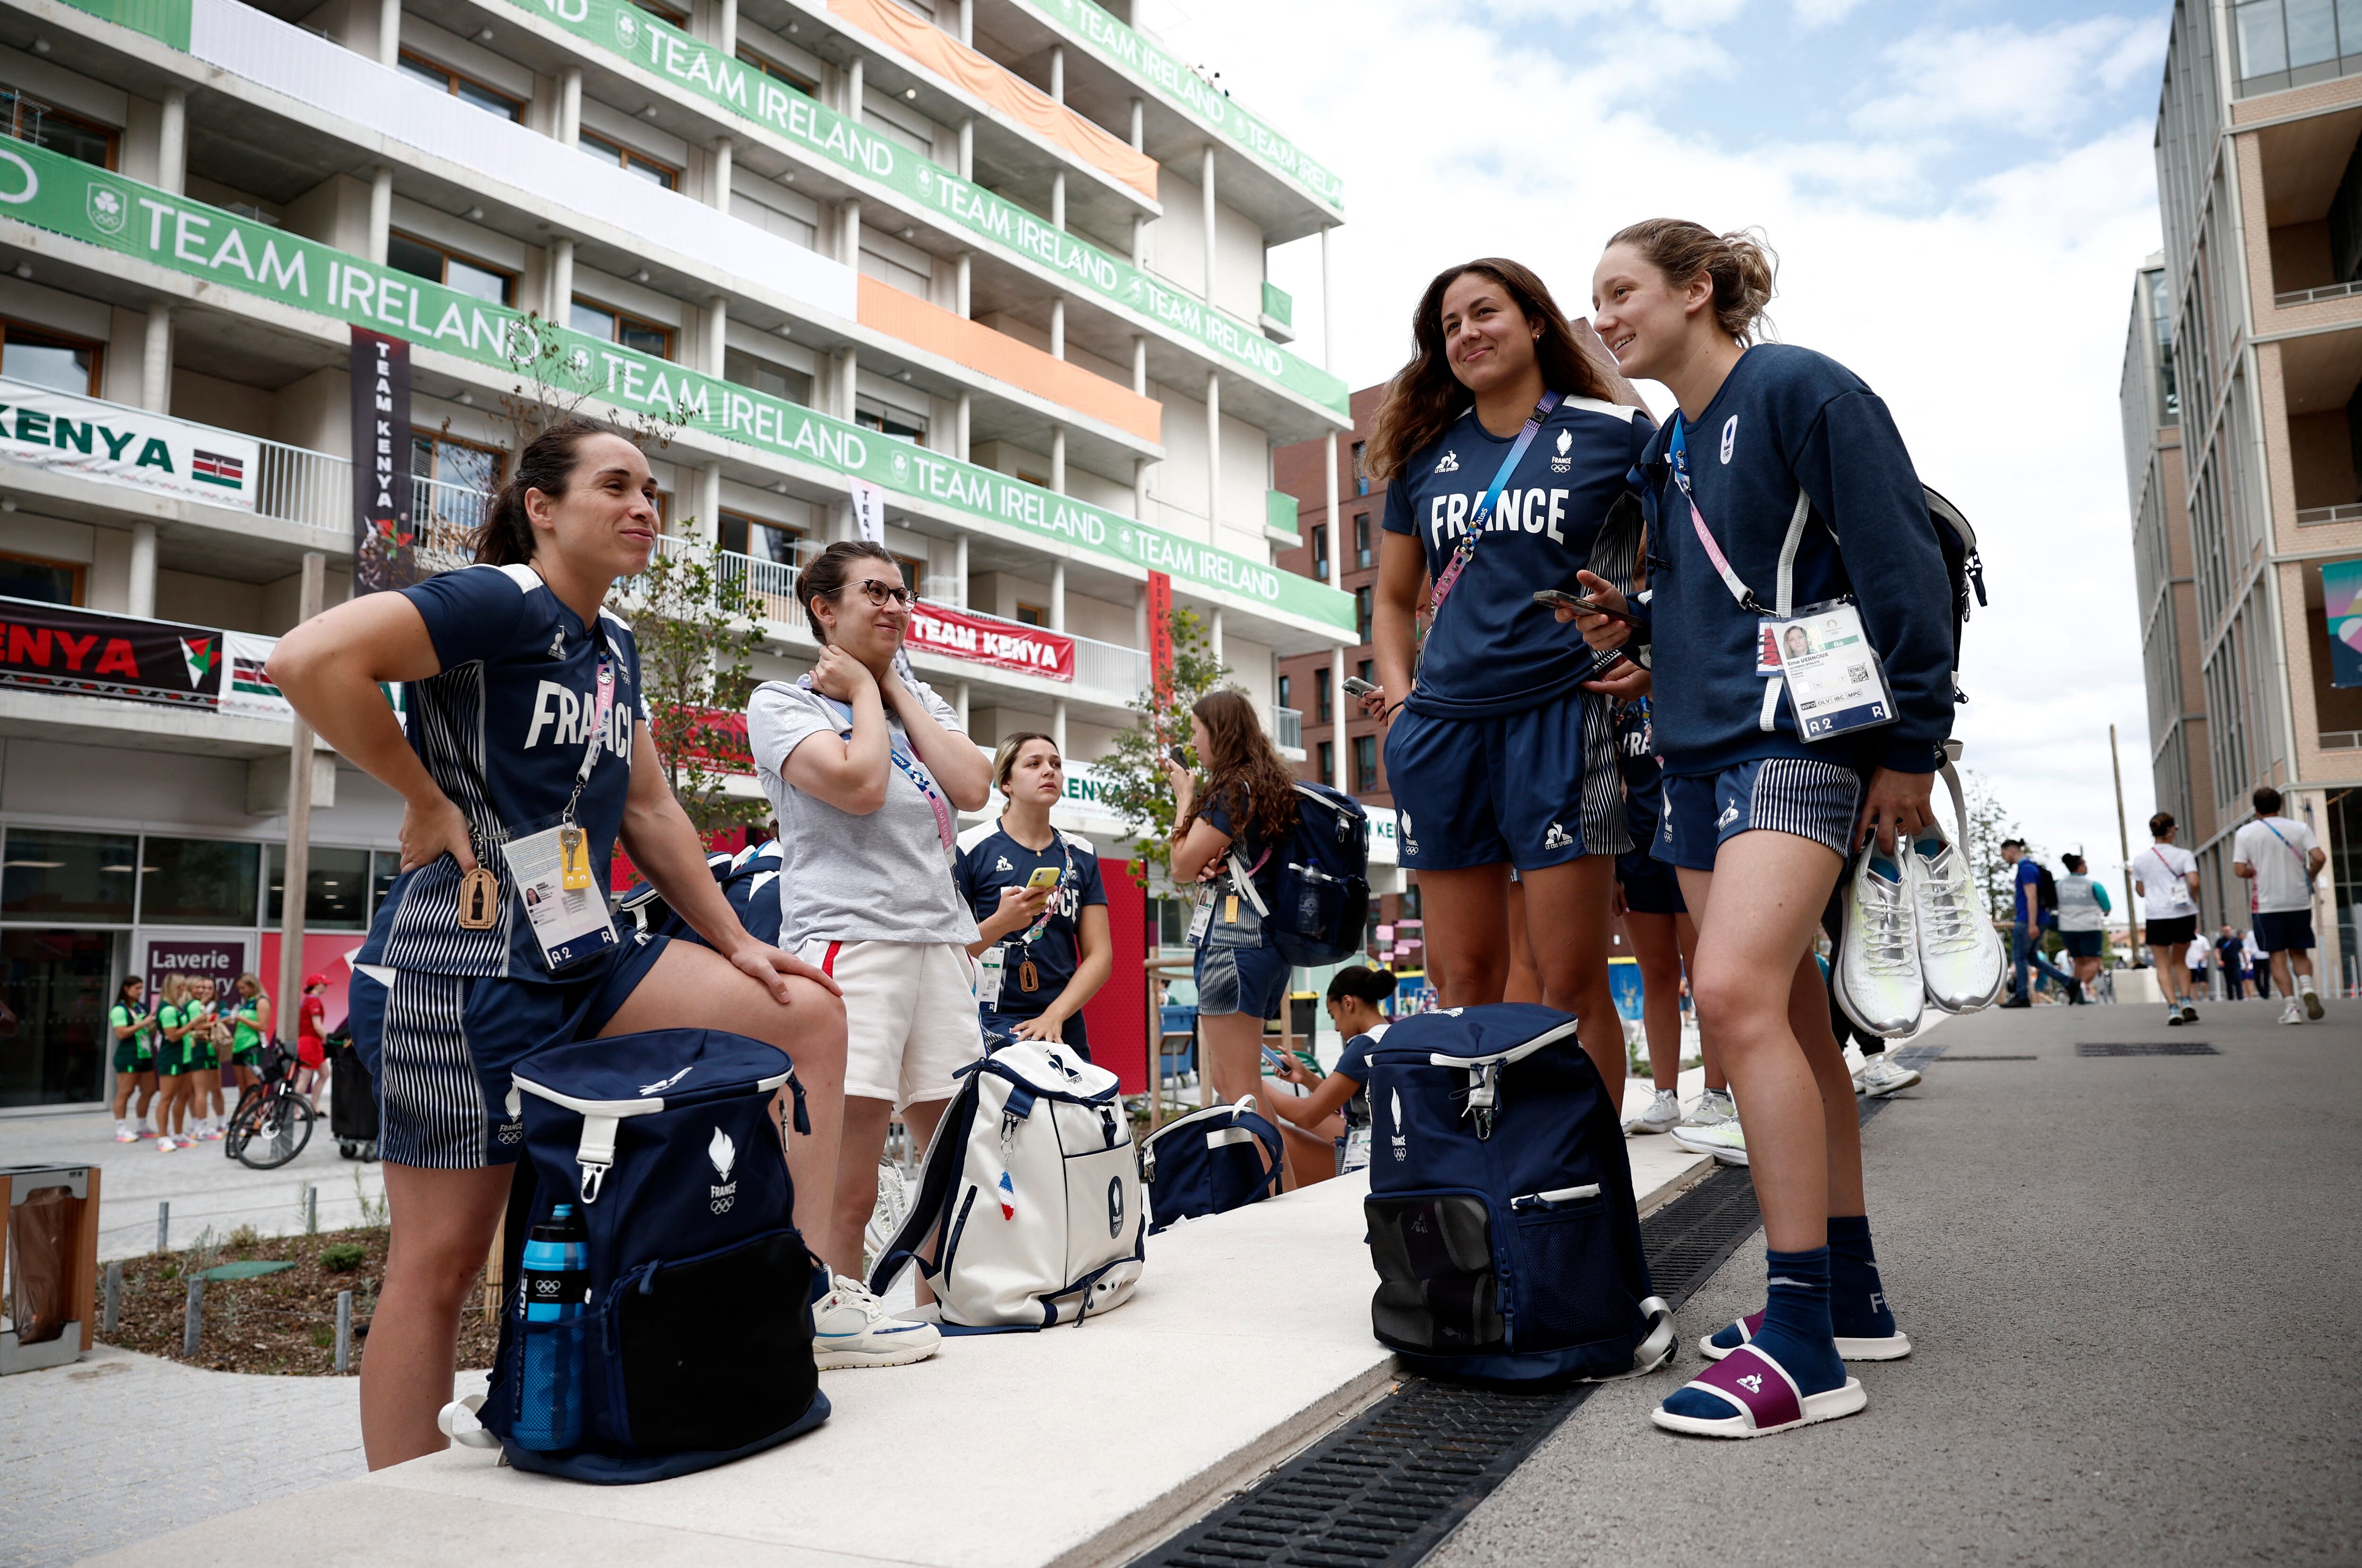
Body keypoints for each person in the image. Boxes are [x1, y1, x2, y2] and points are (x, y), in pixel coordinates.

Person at [266, 417, 848, 1470]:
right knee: (440, 1263)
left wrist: (736, 946)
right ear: (542, 506)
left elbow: (656, 813)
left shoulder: (614, 646)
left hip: (584, 954)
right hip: (461, 969)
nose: (645, 510)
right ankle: (397, 1519)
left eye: (653, 494)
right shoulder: (498, 600)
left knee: (800, 1012)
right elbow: (307, 661)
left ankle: (799, 1285)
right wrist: (424, 796)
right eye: (616, 486)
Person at [1575, 220, 1944, 1439]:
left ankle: (1799, 1344)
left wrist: (1911, 743)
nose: (1607, 315)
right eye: (1598, 300)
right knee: (1789, 1021)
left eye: (1622, 291)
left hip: (1796, 739)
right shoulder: (1667, 446)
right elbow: (1710, 595)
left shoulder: (1802, 388)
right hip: (1691, 756)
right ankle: (1848, 1294)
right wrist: (1630, 631)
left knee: (1733, 1001)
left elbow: (1901, 568)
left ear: (1700, 290)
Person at [1361, 256, 1653, 1098]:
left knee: (1569, 983)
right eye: (1449, 326)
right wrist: (1405, 700)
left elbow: (1677, 562)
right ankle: (1483, 1178)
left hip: (1564, 719)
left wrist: (1645, 643)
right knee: (1462, 985)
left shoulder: (1616, 432)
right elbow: (1391, 599)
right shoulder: (1423, 457)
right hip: (1443, 732)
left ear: (1534, 321)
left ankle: (1594, 1182)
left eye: (1483, 313)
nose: (1466, 334)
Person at [745, 537, 989, 1352]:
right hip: (851, 943)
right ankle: (830, 1327)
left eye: (901, 593)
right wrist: (860, 696)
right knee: (844, 1181)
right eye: (873, 592)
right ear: (825, 608)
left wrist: (889, 688)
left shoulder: (917, 696)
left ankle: (944, 1304)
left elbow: (974, 785)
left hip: (941, 944)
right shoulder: (784, 702)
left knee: (955, 1160)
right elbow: (860, 784)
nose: (894, 606)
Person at [1164, 688, 1306, 1186]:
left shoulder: (1233, 790)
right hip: (1263, 948)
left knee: (1236, 1084)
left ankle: (1274, 1194)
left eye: (1196, 731)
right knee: (1244, 1083)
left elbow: (1181, 864)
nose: (1192, 742)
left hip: (1232, 946)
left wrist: (1184, 798)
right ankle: (1280, 1188)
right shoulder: (1262, 786)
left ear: (1217, 732)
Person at [955, 733, 1113, 1057]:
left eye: (1056, 764)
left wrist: (1054, 1016)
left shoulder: (1081, 853)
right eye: (1034, 763)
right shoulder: (970, 848)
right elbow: (950, 953)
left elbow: (1100, 955)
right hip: (989, 1018)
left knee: (1079, 1107)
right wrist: (1002, 922)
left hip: (1062, 1020)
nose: (1049, 771)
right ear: (1007, 783)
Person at [1265, 964, 1398, 1182]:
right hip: (1390, 1145)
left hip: (1369, 1159)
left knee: (1276, 1137)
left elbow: (1307, 1115)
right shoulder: (1390, 1033)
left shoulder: (1362, 1046)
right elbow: (1334, 1097)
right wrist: (1306, 1078)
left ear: (1348, 1003)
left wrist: (1255, 1084)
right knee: (1312, 1121)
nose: (1336, 1028)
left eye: (1333, 1015)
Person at [2233, 786, 2327, 1024]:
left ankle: (2292, 1009)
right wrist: (2312, 874)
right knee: (2299, 951)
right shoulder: (2299, 828)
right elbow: (2319, 857)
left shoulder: (2246, 833)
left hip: (2267, 903)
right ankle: (2307, 988)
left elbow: (2239, 869)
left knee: (2277, 955)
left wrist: (2256, 870)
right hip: (2298, 901)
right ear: (2281, 805)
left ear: (2255, 809)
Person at [2130, 812, 2202, 1026]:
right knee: (2180, 960)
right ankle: (2187, 1000)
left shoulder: (2141, 859)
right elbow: (2195, 882)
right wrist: (2192, 899)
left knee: (2162, 963)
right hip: (2183, 913)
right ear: (2171, 830)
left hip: (2157, 915)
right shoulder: (2184, 855)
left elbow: (2141, 891)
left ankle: (2173, 1008)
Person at [1998, 841, 2079, 1006]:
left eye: (2004, 854)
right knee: (2032, 958)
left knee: (2019, 956)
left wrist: (2032, 924)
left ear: (2012, 850)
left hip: (2028, 920)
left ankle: (2022, 996)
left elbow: (2032, 897)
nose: (2004, 858)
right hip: (2038, 919)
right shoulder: (2030, 867)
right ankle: (2069, 982)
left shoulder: (2026, 868)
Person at [2052, 854, 2111, 1002]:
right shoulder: (2093, 885)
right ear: (2080, 866)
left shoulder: (2059, 884)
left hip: (2067, 928)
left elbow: (2052, 903)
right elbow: (2107, 907)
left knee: (2078, 961)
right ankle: (2081, 986)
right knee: (2094, 961)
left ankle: (2077, 993)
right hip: (2089, 927)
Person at [109, 976, 159, 1143]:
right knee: (126, 1091)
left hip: (144, 1054)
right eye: (137, 988)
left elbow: (148, 1031)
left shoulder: (141, 1007)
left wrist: (153, 1023)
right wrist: (143, 1024)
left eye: (141, 988)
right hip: (128, 1055)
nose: (140, 992)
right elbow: (121, 1033)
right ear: (126, 989)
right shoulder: (119, 1010)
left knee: (150, 1089)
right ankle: (121, 1128)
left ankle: (142, 1125)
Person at [153, 973, 196, 1151]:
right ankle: (163, 1137)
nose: (183, 990)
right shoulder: (168, 1010)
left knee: (184, 1095)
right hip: (171, 1057)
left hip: (185, 1057)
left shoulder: (177, 1008)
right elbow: (173, 1036)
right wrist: (193, 1024)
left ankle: (178, 1133)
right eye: (181, 987)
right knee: (167, 1098)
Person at [226, 972, 272, 1096]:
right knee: (242, 1087)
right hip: (238, 1047)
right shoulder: (243, 1004)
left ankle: (254, 1113)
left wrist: (242, 1019)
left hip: (252, 1046)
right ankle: (244, 1112)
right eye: (239, 989)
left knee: (252, 1086)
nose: (241, 992)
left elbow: (262, 1026)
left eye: (243, 988)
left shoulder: (261, 1001)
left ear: (252, 986)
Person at [294, 973, 329, 1108]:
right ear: (318, 985)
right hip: (309, 1042)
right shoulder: (313, 1001)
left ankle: (314, 1106)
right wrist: (328, 1039)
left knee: (325, 1073)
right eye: (325, 985)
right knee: (305, 1077)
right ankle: (296, 1111)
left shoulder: (309, 1000)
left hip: (313, 1042)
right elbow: (317, 1025)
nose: (326, 987)